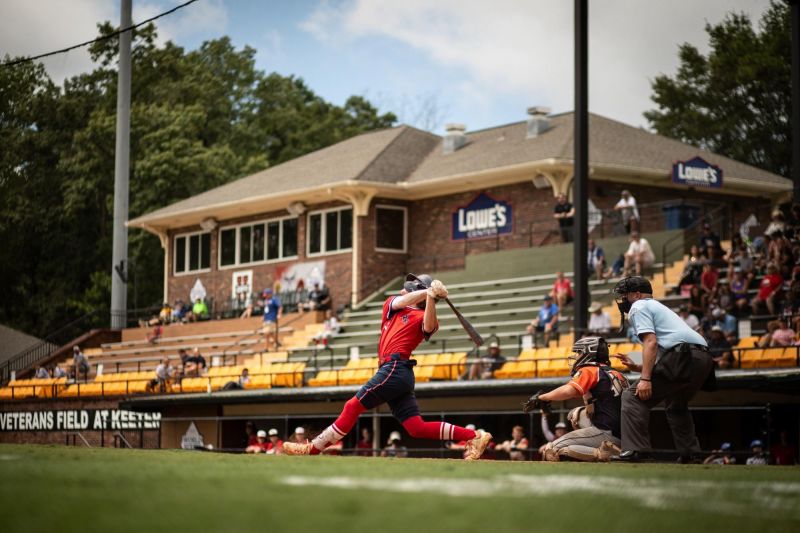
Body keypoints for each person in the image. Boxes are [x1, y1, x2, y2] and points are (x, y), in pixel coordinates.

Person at [282, 274, 492, 460]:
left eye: (410, 284)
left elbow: (428, 326)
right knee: (416, 428)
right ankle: (474, 436)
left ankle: (313, 449)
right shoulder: (392, 306)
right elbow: (404, 299)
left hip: (395, 368)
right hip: (396, 372)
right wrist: (428, 292)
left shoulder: (425, 315)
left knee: (351, 406)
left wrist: (430, 297)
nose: (404, 287)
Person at [611, 276, 715, 463]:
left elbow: (651, 342)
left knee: (632, 398)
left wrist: (645, 379)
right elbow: (665, 356)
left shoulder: (639, 306)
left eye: (625, 295)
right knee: (676, 405)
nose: (623, 299)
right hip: (703, 358)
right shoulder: (658, 307)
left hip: (683, 356)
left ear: (636, 294)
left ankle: (636, 450)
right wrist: (640, 368)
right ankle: (690, 454)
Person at [524, 337, 629, 462]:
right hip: (626, 435)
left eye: (579, 352)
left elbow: (569, 391)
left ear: (588, 353)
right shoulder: (617, 373)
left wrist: (541, 397)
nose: (577, 356)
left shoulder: (590, 369)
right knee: (575, 415)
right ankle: (606, 450)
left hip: (607, 432)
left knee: (551, 449)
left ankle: (607, 454)